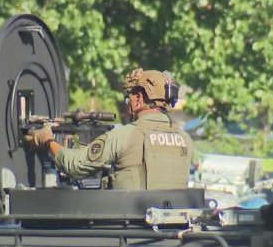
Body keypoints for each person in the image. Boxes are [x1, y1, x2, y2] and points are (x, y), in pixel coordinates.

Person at [26, 68, 193, 189]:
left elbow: (75, 165)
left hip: (130, 228)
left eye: (129, 99)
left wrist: (47, 140)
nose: (128, 105)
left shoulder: (125, 135)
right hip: (170, 230)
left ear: (138, 99)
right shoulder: (185, 139)